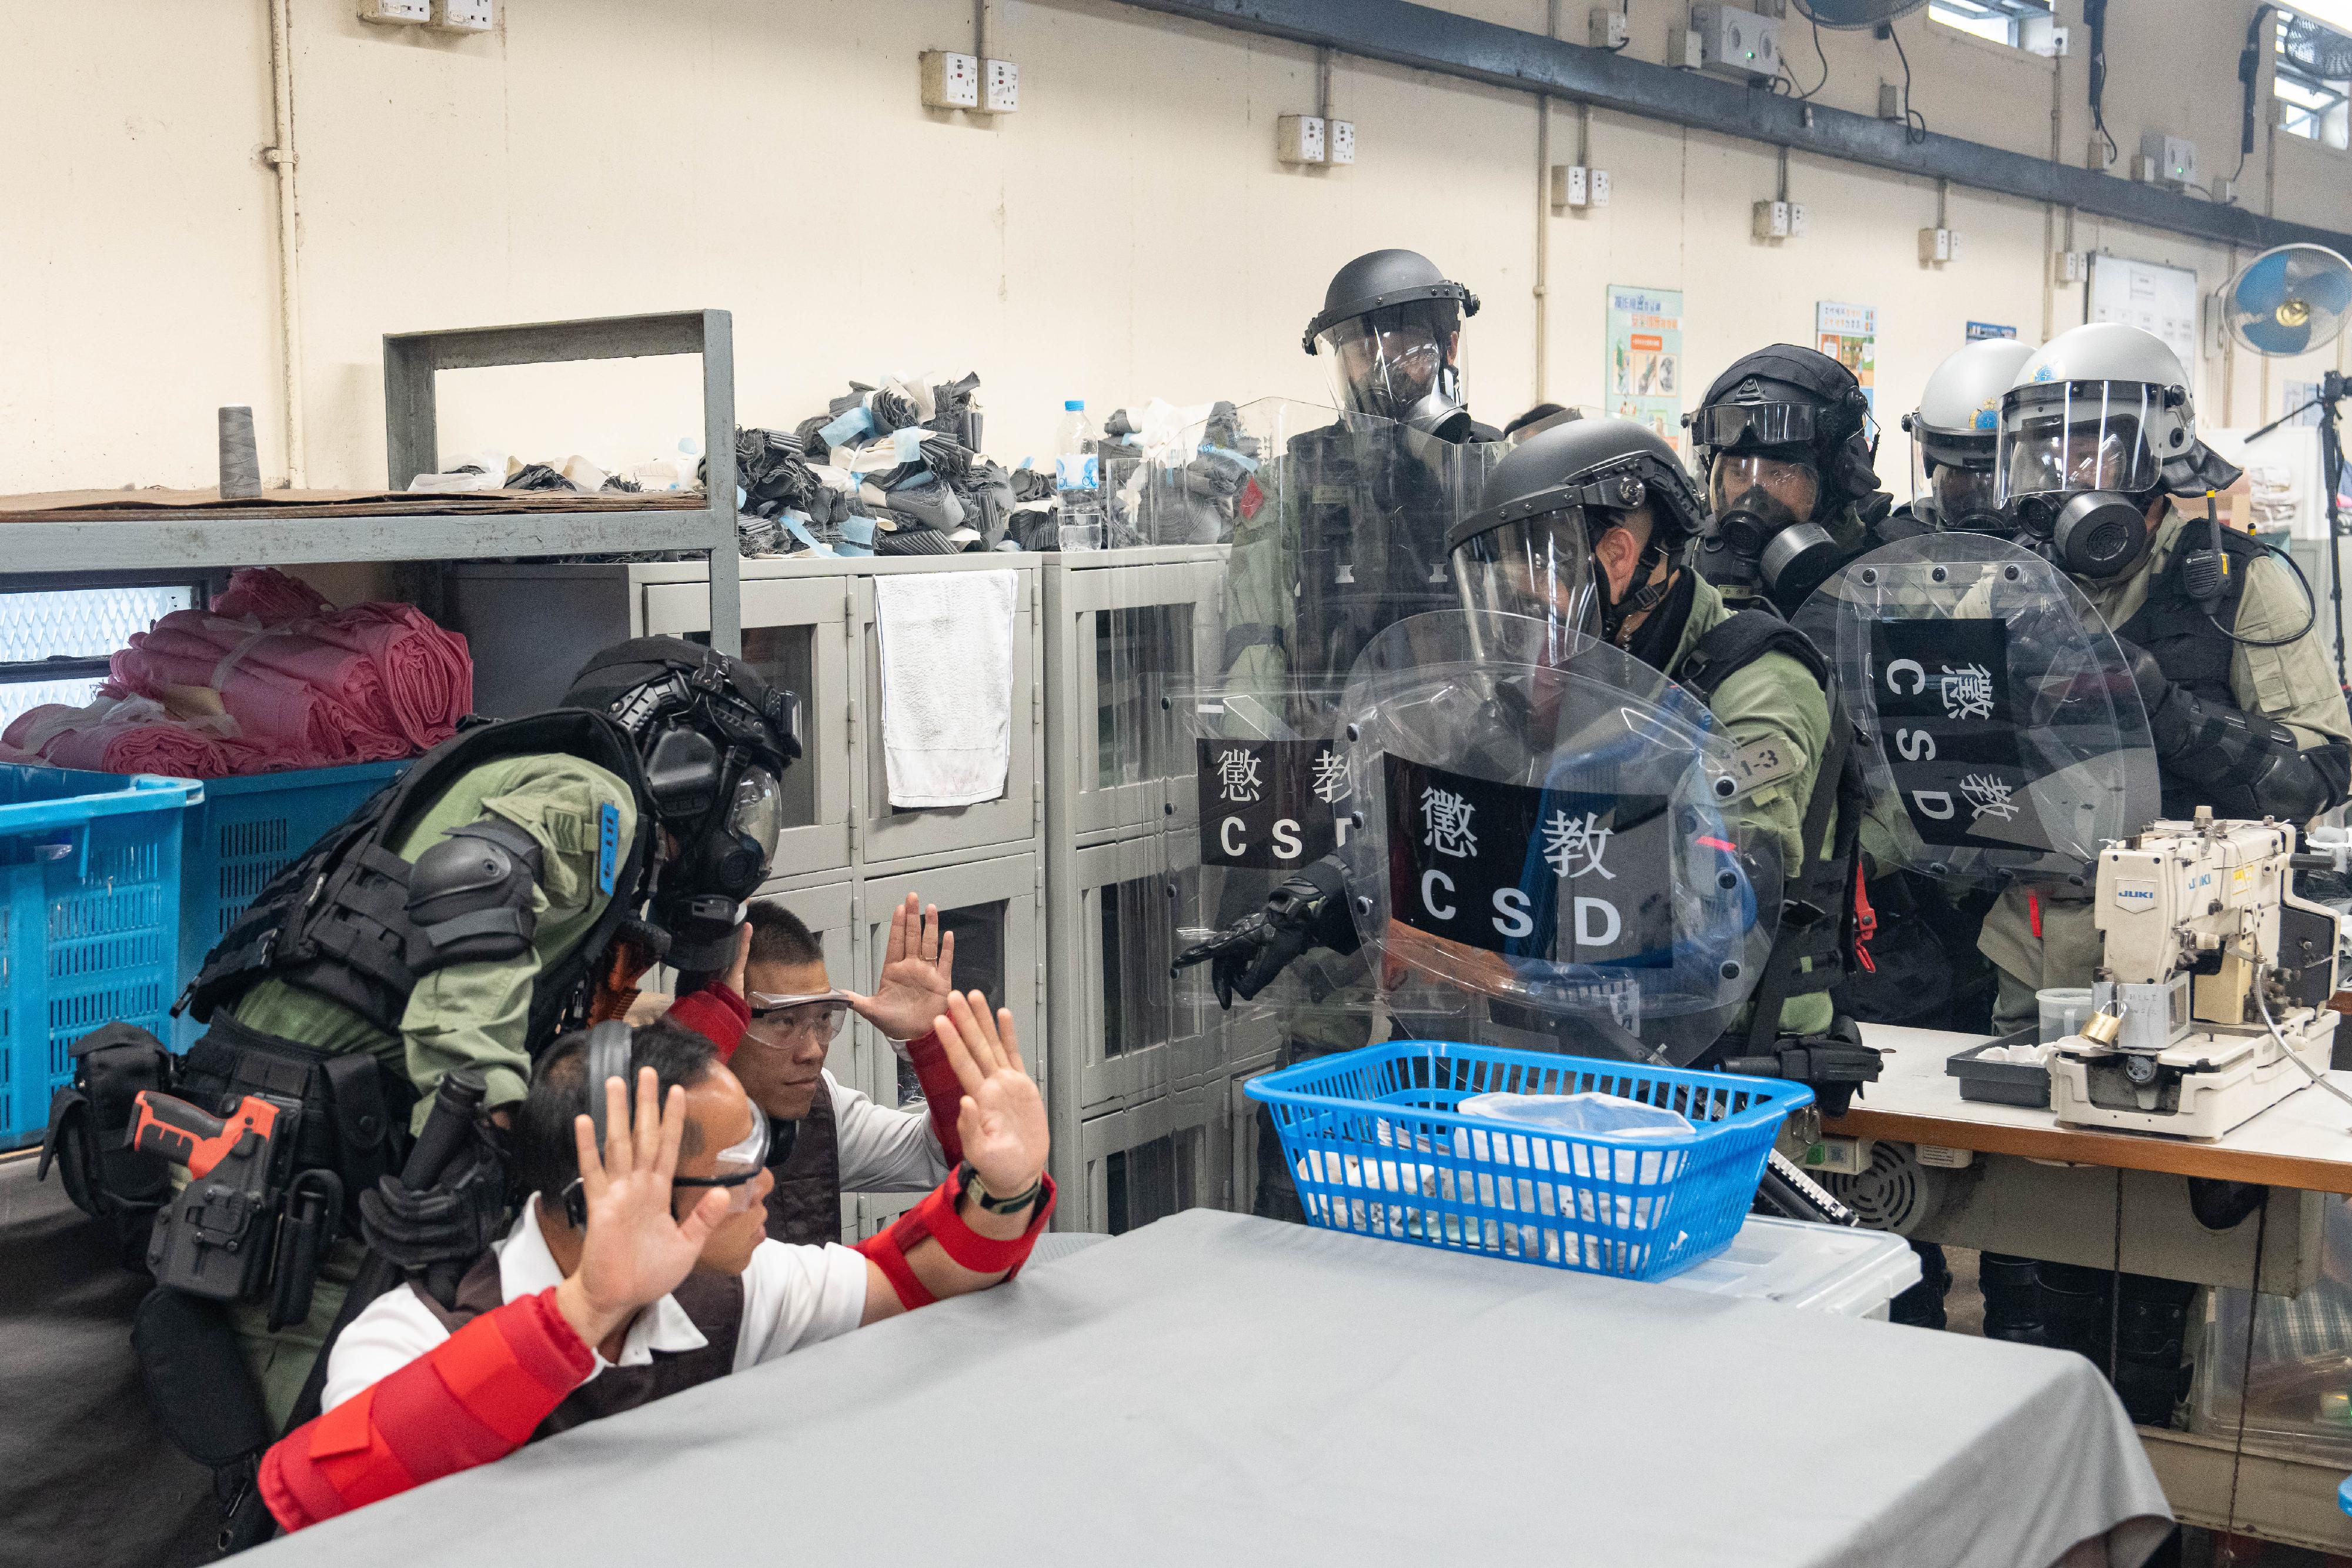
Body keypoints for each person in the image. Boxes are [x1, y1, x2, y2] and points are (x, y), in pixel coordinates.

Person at [42, 636, 802, 1489]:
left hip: (301, 1125)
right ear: (687, 756)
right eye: (746, 792)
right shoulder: (591, 794)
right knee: (321, 1446)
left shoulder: (544, 775)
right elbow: (473, 921)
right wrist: (482, 1135)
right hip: (304, 1163)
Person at [1181, 419, 1876, 1213]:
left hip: (1723, 1082)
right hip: (1579, 1060)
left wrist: (1498, 962)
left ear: (1617, 559)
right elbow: (1459, 808)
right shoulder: (1567, 672)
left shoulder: (1756, 682)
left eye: (1533, 574)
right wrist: (1320, 897)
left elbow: (1729, 902)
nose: (1516, 604)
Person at [256, 990, 1052, 1532]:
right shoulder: (406, 1335)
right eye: (737, 1164)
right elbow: (321, 1499)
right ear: (605, 1190)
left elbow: (919, 1281)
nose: (765, 1181)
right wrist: (583, 1312)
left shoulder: (733, 1288)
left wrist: (1004, 1187)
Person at [1972, 321, 2352, 1416]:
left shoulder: (2242, 588)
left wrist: (2165, 707)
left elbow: (2319, 773)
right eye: (2041, 451)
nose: (2060, 478)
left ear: (2158, 455)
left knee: (2161, 1283)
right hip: (2033, 960)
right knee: (2029, 1272)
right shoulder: (2004, 589)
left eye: (2088, 448)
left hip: (2199, 983)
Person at [1200, 253, 1509, 1121]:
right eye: (1356, 350)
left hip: (1454, 771)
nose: (1378, 367)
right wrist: (1261, 813)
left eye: (1400, 344)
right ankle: (1303, 1194)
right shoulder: (1294, 475)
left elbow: (1519, 646)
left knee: (1450, 1008)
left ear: (1447, 344)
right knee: (1321, 1014)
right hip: (1329, 760)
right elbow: (1255, 644)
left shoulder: (1492, 467)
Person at [657, 894, 962, 1244]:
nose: (814, 1052)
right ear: (723, 1018)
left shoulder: (821, 1110)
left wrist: (929, 1047)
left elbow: (947, 1155)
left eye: (823, 1019)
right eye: (784, 1021)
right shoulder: (635, 1127)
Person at [1683, 345, 1897, 616]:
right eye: (1738, 473)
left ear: (1838, 478)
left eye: (1777, 475)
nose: (1752, 496)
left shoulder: (1891, 574)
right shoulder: (1689, 562)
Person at [1897, 337, 2036, 534]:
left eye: (1993, 482)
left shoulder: (2053, 552)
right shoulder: (1908, 537)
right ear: (1929, 466)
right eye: (1956, 476)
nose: (1979, 502)